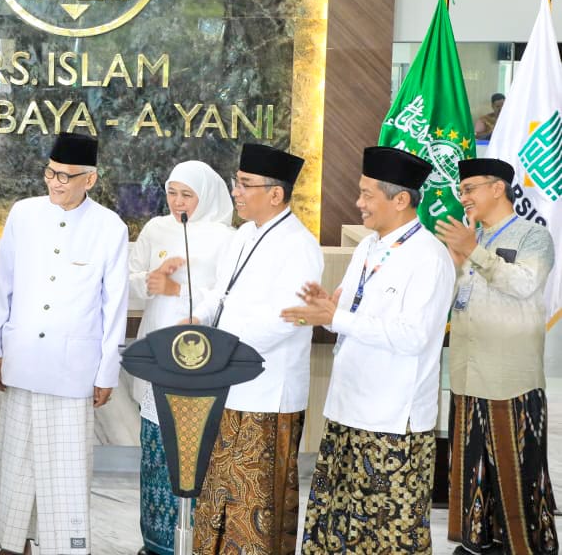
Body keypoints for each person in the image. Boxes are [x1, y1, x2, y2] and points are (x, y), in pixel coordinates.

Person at [284, 146, 455, 554]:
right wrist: (325, 312)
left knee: (386, 534)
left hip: (392, 422)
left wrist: (337, 317)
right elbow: (347, 315)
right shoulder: (368, 247)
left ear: (400, 199)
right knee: (335, 527)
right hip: (346, 409)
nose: (358, 203)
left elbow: (413, 336)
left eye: (366, 194)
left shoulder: (429, 258)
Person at [0, 131, 130, 555]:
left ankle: (65, 547)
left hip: (73, 370)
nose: (55, 182)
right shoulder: (23, 213)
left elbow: (114, 306)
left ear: (90, 179)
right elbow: (3, 284)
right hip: (23, 358)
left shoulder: (110, 227)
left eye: (66, 176)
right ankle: (12, 544)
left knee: (65, 472)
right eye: (50, 173)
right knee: (17, 463)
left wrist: (107, 371)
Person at [190, 143, 324, 555]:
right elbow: (221, 292)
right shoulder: (244, 234)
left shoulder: (300, 246)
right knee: (219, 494)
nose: (236, 191)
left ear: (276, 194)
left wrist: (225, 345)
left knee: (255, 501)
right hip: (227, 384)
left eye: (245, 184)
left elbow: (290, 317)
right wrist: (197, 319)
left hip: (268, 394)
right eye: (237, 182)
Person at [435, 158, 558, 555]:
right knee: (472, 468)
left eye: (469, 189)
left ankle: (523, 546)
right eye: (461, 191)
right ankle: (477, 543)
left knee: (515, 469)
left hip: (510, 379)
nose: (463, 198)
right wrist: (457, 266)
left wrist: (474, 252)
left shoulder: (534, 236)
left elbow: (523, 284)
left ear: (497, 188)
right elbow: (452, 302)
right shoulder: (471, 239)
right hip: (467, 374)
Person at [129, 160, 235, 555]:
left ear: (205, 196)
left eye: (186, 194)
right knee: (156, 454)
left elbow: (225, 296)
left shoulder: (227, 238)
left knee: (196, 457)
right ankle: (156, 544)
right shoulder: (156, 229)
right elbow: (129, 281)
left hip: (202, 366)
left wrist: (181, 290)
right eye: (172, 193)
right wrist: (152, 280)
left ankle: (197, 543)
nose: (177, 202)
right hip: (157, 356)